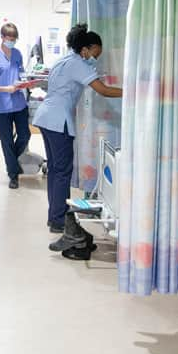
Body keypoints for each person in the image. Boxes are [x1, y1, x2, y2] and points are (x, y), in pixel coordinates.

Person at [32, 23, 122, 260]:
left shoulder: (64, 60)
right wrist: (130, 91)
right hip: (57, 121)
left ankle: (55, 217)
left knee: (55, 170)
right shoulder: (77, 64)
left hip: (46, 117)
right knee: (62, 171)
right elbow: (102, 90)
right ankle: (60, 220)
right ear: (86, 49)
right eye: (95, 54)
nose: (95, 59)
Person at [0, 23, 31, 189]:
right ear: (2, 37)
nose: (12, 41)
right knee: (7, 141)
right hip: (2, 106)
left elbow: (21, 72)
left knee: (25, 135)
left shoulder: (17, 54)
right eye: (9, 38)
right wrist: (6, 88)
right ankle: (13, 175)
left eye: (14, 39)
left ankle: (13, 162)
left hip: (19, 103)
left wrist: (25, 82)